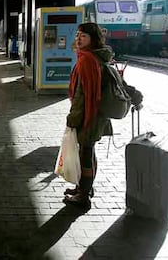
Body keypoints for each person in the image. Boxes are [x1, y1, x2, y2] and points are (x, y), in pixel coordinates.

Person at [63, 22, 114, 208]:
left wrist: (73, 120)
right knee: (88, 152)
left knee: (86, 155)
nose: (78, 38)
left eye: (83, 36)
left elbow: (81, 96)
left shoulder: (87, 60)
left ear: (93, 39)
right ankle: (83, 188)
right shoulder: (97, 57)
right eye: (78, 34)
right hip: (95, 114)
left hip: (88, 116)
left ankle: (83, 196)